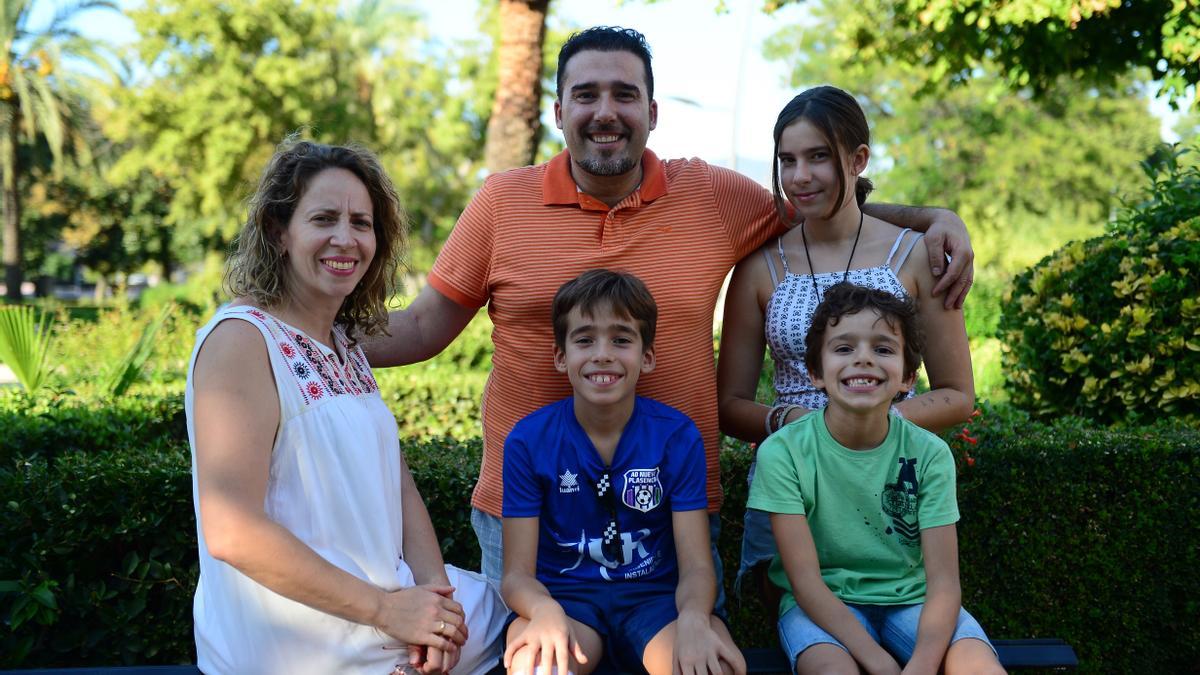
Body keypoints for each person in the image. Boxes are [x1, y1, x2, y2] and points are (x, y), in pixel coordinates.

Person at [364, 26, 977, 583]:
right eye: (586, 95)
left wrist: (934, 218)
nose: (606, 112)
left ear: (652, 112)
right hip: (529, 508)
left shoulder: (713, 195)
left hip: (672, 507)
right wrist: (300, 330)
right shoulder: (500, 203)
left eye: (624, 95)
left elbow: (826, 206)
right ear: (557, 111)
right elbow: (420, 326)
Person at [185, 140, 505, 675]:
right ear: (277, 232)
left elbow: (397, 486)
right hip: (302, 640)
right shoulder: (241, 341)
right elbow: (230, 529)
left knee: (545, 628)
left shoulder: (344, 344)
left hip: (385, 608)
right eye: (324, 218)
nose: (346, 238)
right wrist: (391, 612)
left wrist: (436, 604)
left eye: (362, 222)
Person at [716, 85, 974, 602]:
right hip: (794, 483)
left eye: (818, 157)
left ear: (857, 159)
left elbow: (957, 395)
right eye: (787, 160)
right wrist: (795, 424)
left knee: (898, 617)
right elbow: (727, 405)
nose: (799, 177)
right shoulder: (759, 268)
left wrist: (870, 425)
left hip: (889, 484)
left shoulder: (918, 257)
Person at [747, 283, 1003, 675]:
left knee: (979, 667)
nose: (863, 360)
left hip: (913, 601)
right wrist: (878, 662)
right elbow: (806, 584)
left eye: (883, 349)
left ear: (907, 376)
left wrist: (921, 665)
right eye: (844, 348)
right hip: (820, 606)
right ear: (816, 372)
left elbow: (945, 585)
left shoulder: (930, 454)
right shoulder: (783, 453)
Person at [501, 270, 744, 675]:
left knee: (710, 664)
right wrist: (543, 611)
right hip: (566, 601)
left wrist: (695, 619)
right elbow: (516, 576)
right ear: (560, 356)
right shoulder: (528, 440)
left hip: (657, 604)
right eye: (584, 340)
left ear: (646, 356)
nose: (602, 354)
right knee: (537, 667)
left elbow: (697, 566)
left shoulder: (677, 436)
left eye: (621, 339)